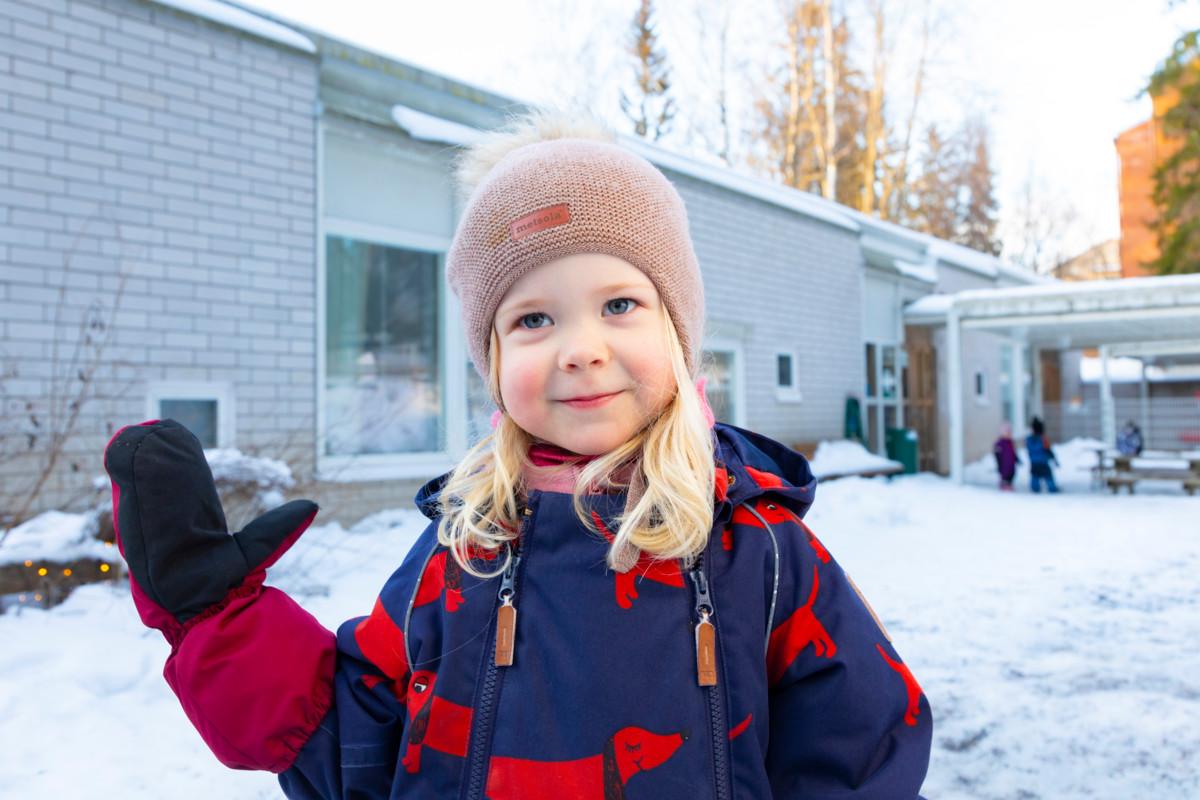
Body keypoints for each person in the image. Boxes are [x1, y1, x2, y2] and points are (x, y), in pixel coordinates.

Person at [102, 111, 932, 799]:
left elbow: (863, 749)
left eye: (619, 303)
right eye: (533, 319)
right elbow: (350, 748)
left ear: (678, 334)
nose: (581, 348)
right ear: (494, 362)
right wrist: (218, 622)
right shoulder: (460, 551)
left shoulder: (757, 547)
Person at [1025, 416, 1060, 493]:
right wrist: (1054, 459)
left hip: (1034, 462)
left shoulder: (1029, 439)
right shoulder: (1043, 439)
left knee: (1035, 475)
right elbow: (1048, 450)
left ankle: (1035, 488)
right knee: (1048, 476)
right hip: (1043, 462)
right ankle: (1052, 488)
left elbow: (1028, 451)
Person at [993, 421, 1021, 491]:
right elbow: (996, 452)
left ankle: (1009, 484)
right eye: (1007, 432)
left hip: (1011, 463)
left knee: (1012, 474)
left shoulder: (1011, 442)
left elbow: (1013, 452)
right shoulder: (1000, 443)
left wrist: (1016, 459)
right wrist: (998, 461)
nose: (1009, 434)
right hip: (1004, 464)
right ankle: (1004, 485)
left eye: (1010, 432)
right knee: (1005, 475)